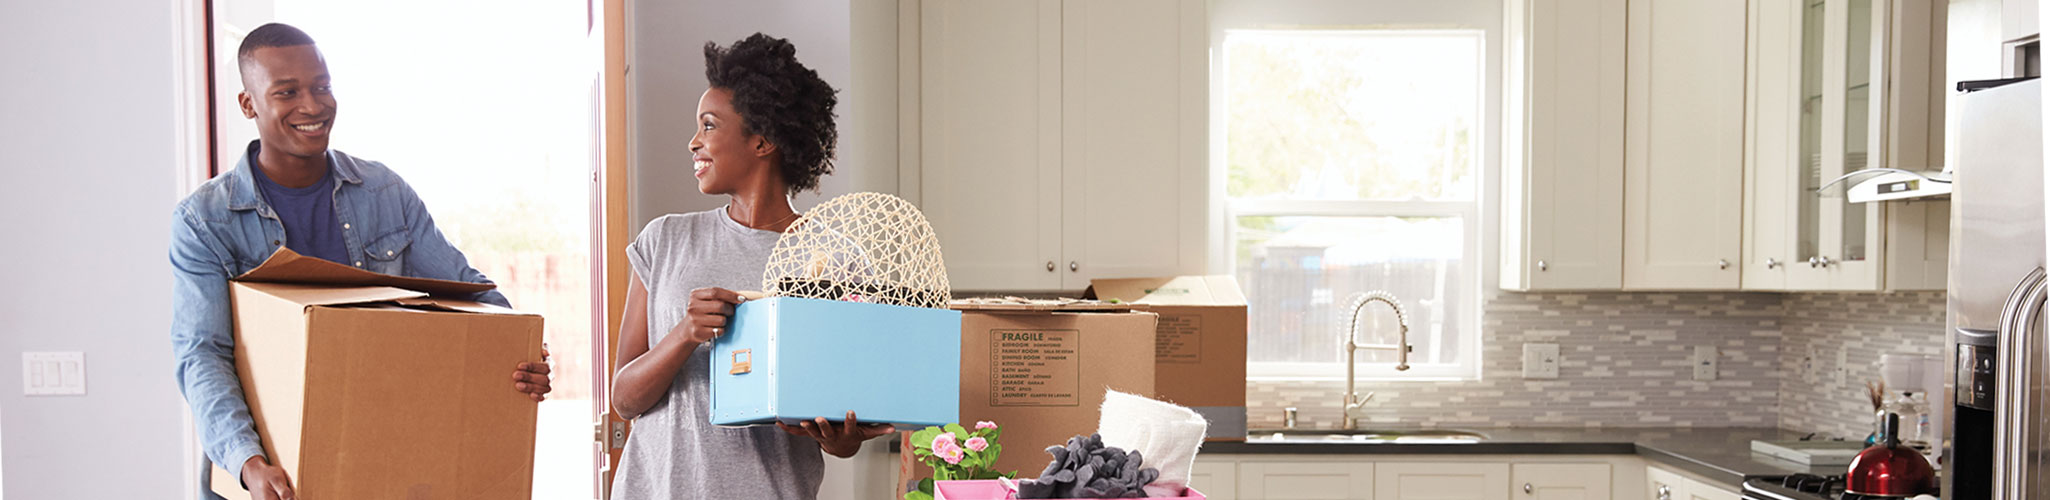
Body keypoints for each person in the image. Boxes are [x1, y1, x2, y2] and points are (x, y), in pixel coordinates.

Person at [168, 23, 553, 500]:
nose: (313, 105)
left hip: (374, 452)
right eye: (287, 92)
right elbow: (202, 353)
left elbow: (465, 288)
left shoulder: (383, 193)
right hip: (266, 476)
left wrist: (518, 347)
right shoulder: (206, 219)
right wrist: (249, 464)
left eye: (322, 86)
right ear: (249, 104)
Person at [608, 33, 893, 500]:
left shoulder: (839, 260)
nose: (693, 142)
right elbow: (624, 399)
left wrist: (843, 440)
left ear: (762, 141)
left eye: (709, 126)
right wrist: (686, 333)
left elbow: (846, 430)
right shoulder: (664, 241)